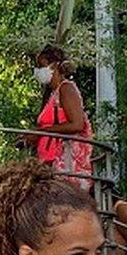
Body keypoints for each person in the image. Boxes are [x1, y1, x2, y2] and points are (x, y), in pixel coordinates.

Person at [23, 45, 94, 191]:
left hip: (66, 162)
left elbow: (77, 124)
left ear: (54, 65)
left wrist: (42, 132)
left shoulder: (66, 89)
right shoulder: (54, 93)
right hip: (51, 160)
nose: (38, 71)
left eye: (41, 66)